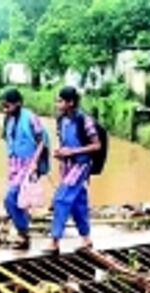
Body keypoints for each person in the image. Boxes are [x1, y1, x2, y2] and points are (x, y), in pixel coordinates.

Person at [48, 86, 101, 254]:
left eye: (60, 101)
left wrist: (73, 152)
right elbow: (63, 141)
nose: (57, 104)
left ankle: (54, 241)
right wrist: (60, 152)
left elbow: (96, 145)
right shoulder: (61, 120)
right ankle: (86, 239)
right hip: (66, 166)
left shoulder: (84, 120)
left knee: (61, 200)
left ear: (70, 102)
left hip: (81, 165)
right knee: (78, 204)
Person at [0, 88, 47, 250]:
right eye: (3, 106)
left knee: (10, 198)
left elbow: (42, 140)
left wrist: (35, 163)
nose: (5, 110)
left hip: (28, 164)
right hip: (14, 164)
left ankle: (23, 233)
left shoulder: (30, 117)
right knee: (18, 201)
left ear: (18, 103)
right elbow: (8, 140)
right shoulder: (9, 119)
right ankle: (23, 228)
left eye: (7, 106)